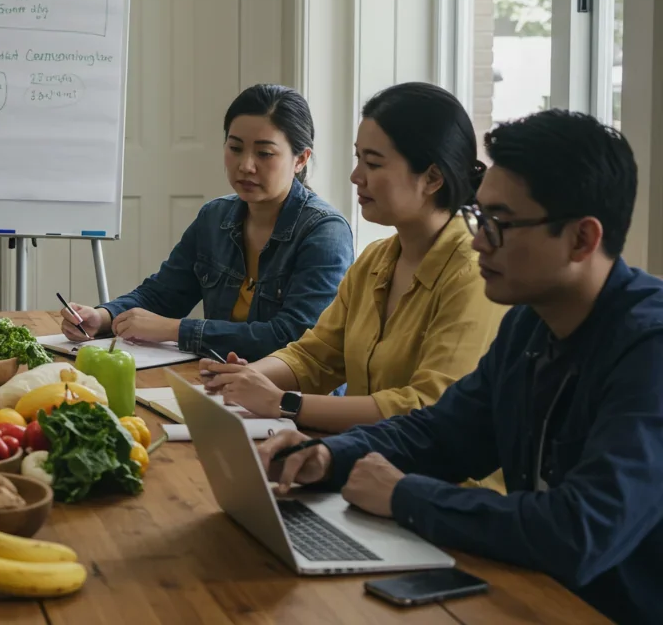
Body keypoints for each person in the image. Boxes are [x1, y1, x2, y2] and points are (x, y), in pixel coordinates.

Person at [258, 110, 663, 624]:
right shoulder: (529, 326)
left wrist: (405, 495)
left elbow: (581, 530)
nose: (477, 241)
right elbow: (443, 432)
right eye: (478, 218)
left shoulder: (649, 351)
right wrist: (326, 456)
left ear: (582, 239)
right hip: (529, 592)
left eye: (500, 224)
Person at [204, 82, 507, 433]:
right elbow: (315, 356)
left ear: (433, 177)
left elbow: (428, 406)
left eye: (373, 164)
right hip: (365, 460)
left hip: (439, 482)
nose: (355, 177)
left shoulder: (473, 271)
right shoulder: (377, 259)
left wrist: (283, 403)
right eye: (358, 158)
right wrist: (245, 376)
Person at [61, 84, 353, 361]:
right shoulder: (215, 217)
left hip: (295, 403)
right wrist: (102, 317)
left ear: (301, 159)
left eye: (264, 153)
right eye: (235, 148)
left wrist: (174, 330)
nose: (246, 165)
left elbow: (293, 338)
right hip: (222, 380)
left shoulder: (325, 232)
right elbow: (163, 293)